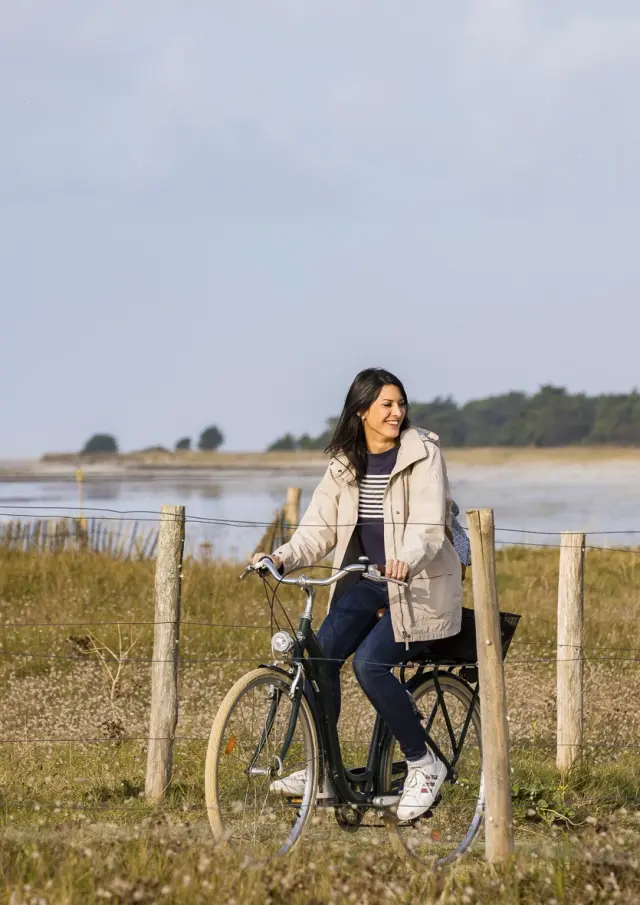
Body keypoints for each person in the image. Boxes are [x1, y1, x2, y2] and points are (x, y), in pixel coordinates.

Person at [252, 367, 465, 820]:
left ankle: (424, 764)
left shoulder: (423, 453)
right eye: (386, 404)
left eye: (400, 403)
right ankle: (324, 769)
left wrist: (405, 558)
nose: (397, 412)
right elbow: (318, 529)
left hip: (419, 586)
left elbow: (429, 527)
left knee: (371, 664)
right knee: (320, 655)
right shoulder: (345, 464)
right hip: (367, 582)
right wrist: (282, 557)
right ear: (361, 410)